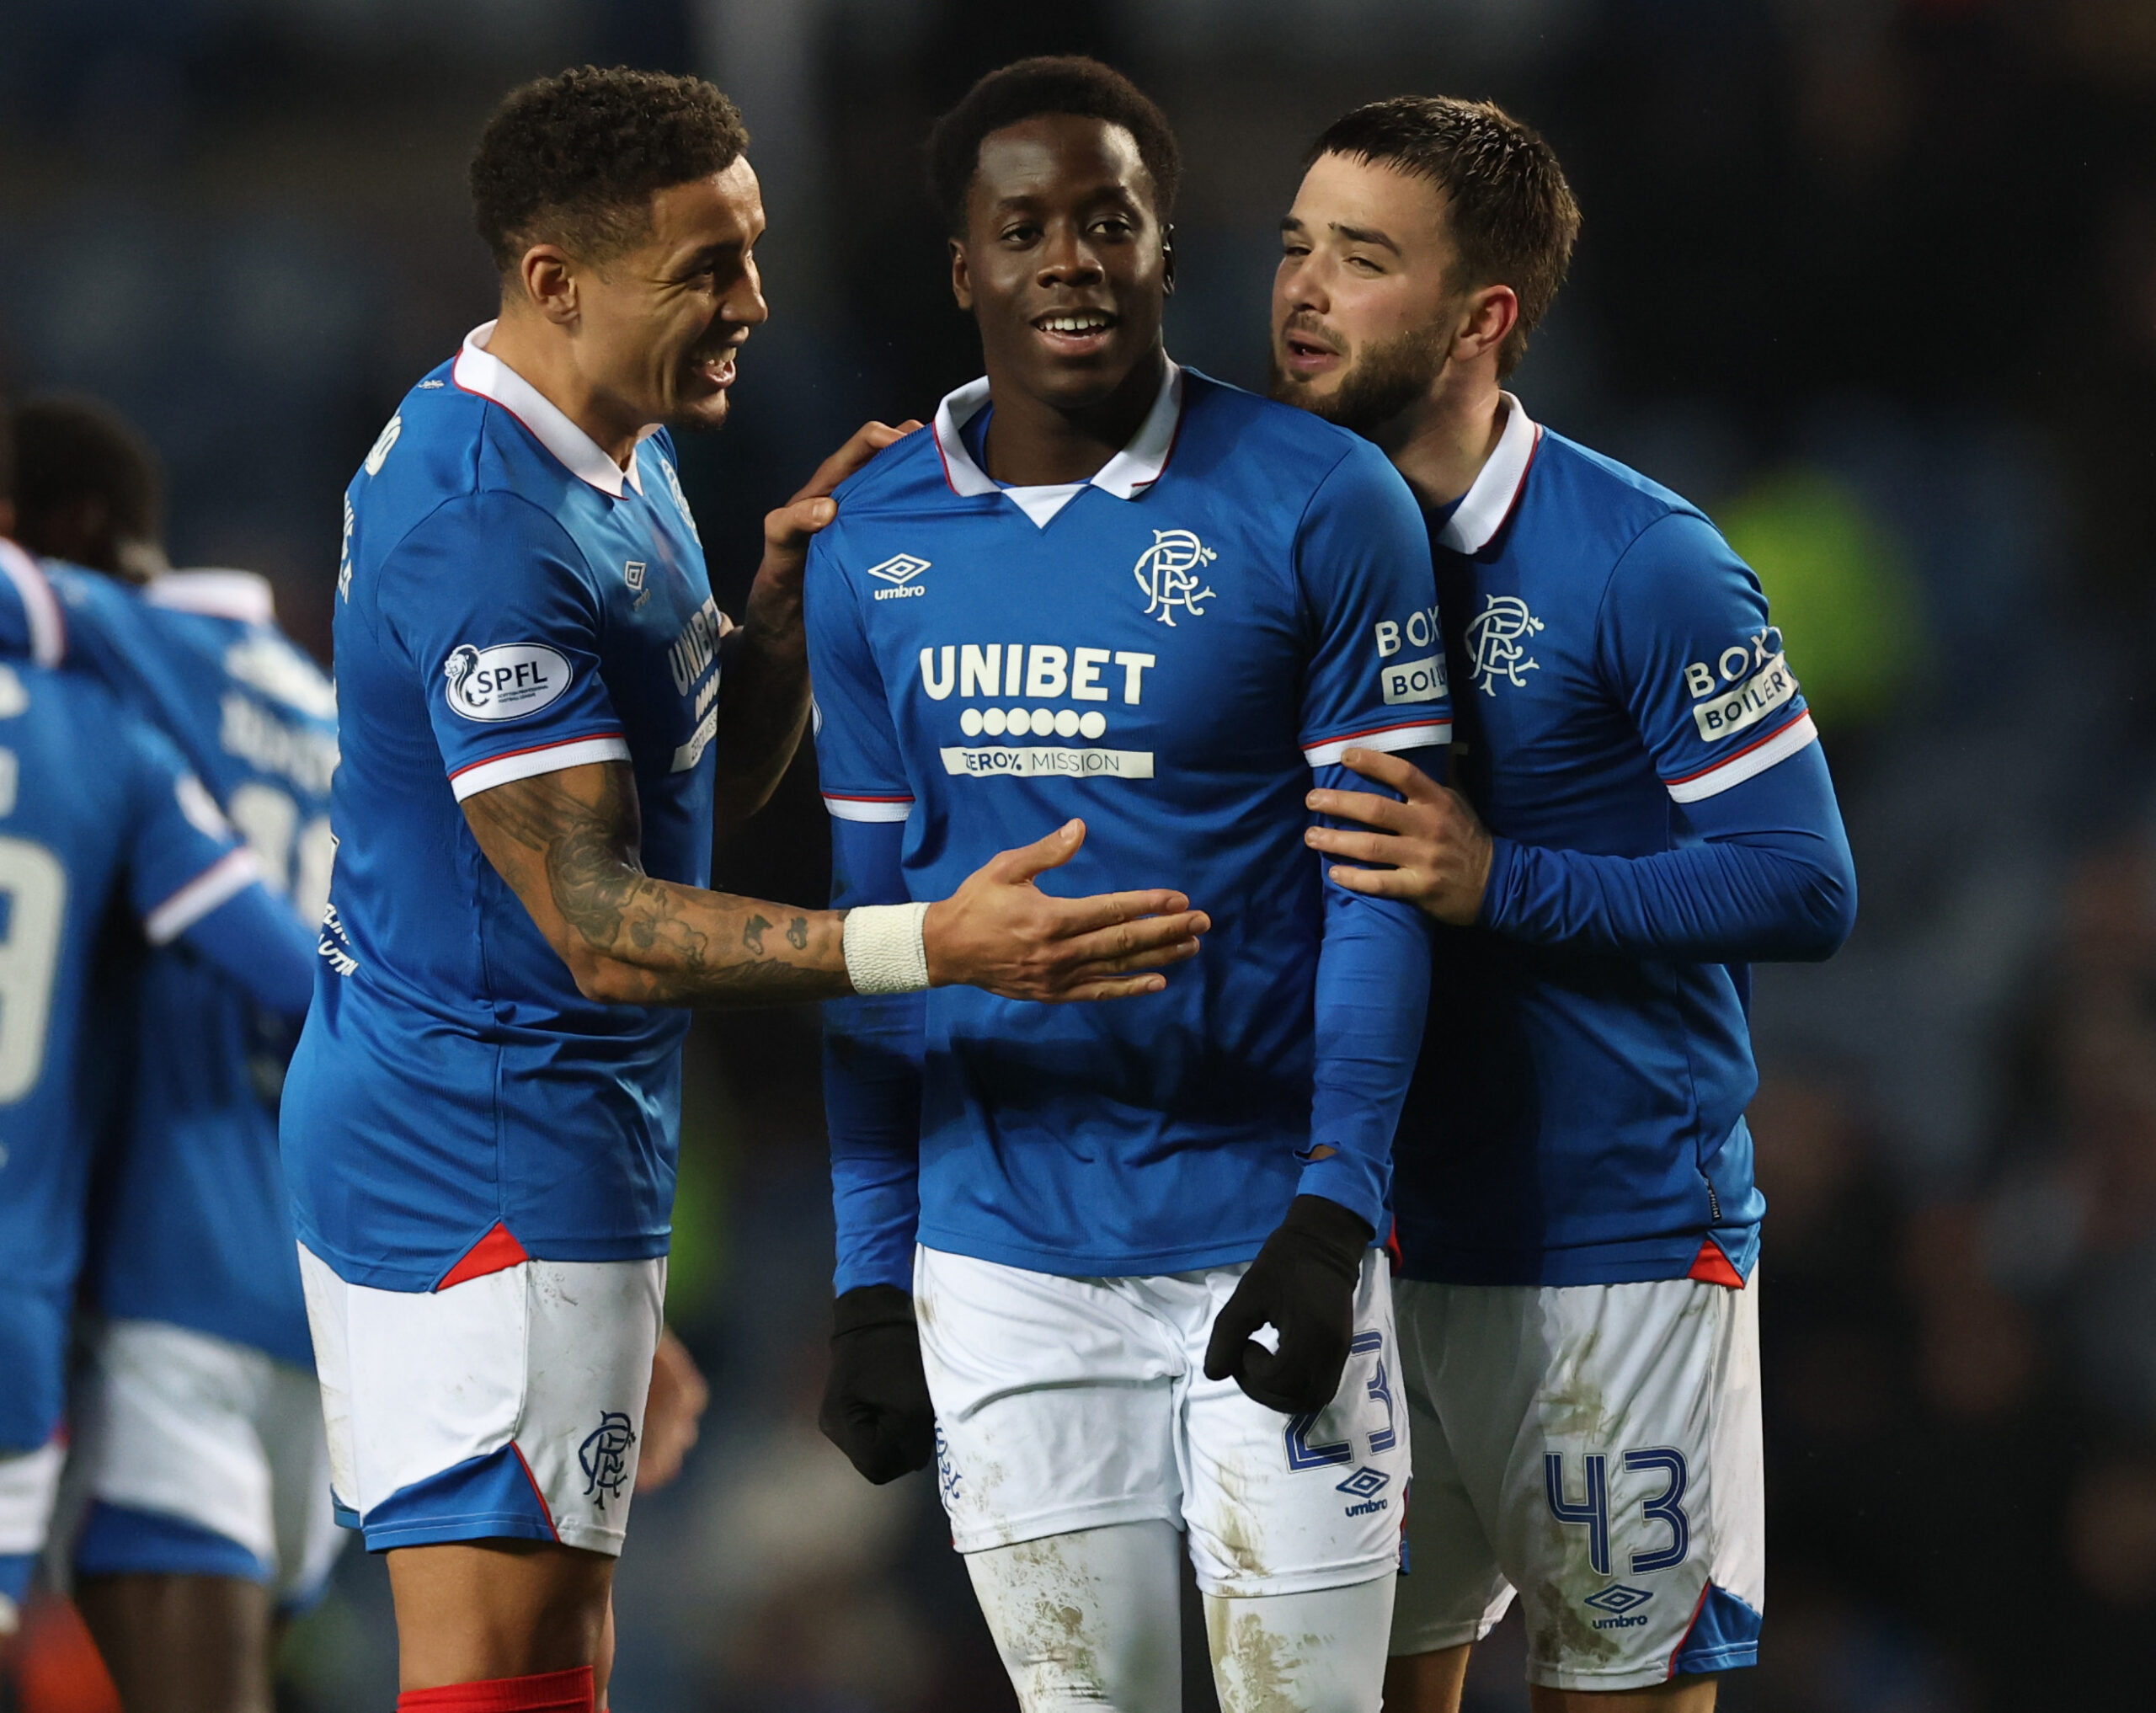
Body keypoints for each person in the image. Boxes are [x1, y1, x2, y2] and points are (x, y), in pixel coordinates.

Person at [285, 65, 1208, 1713]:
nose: (753, 303)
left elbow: (667, 801)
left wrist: (765, 631)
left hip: (531, 1138)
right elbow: (600, 925)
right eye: (706, 269)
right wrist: (934, 942)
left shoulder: (601, 438)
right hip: (479, 1146)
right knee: (493, 1674)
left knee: (546, 1666)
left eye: (752, 251)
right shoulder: (490, 531)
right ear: (559, 278)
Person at [808, 58, 1450, 1713]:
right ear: (963, 264)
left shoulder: (1324, 502)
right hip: (1003, 1265)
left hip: (1265, 1224)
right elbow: (867, 936)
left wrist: (1336, 1211)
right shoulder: (868, 540)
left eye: (1109, 222)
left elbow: (1379, 894)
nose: (1069, 261)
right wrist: (869, 1277)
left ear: (1169, 244)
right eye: (1023, 228)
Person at [1272, 98, 1858, 1710]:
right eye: (1297, 245)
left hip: (1611, 1246)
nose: (1305, 288)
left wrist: (1499, 878)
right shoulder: (1273, 536)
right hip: (1362, 1241)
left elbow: (1806, 880)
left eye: (1362, 258)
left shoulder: (1642, 560)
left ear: (1483, 319)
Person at [0, 431, 318, 1657]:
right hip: (327, 1293)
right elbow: (342, 990)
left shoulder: (126, 674)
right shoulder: (349, 721)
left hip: (168, 1286)